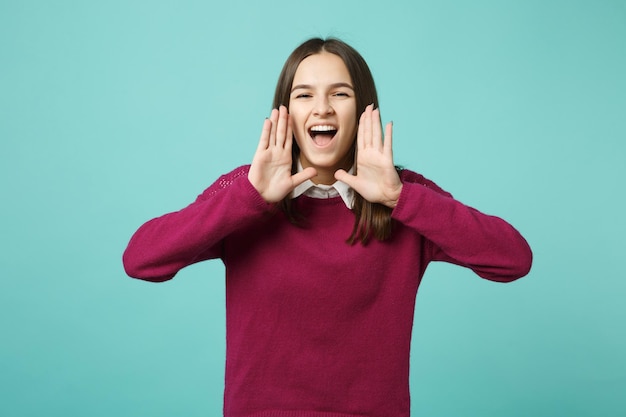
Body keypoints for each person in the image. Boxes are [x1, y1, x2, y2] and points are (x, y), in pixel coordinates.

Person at [123, 37, 532, 417]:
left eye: (340, 93)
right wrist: (246, 199)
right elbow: (141, 260)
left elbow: (513, 259)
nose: (322, 108)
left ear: (363, 109)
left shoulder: (404, 195)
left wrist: (399, 198)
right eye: (304, 95)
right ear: (285, 113)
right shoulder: (246, 192)